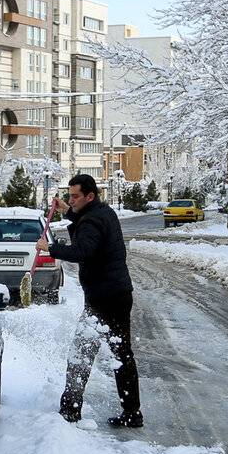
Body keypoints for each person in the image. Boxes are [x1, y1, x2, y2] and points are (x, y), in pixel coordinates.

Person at [35, 174, 143, 428]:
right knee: (121, 354)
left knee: (81, 353)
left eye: (75, 197)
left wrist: (50, 247)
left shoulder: (92, 220)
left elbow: (82, 250)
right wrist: (69, 212)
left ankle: (71, 410)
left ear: (90, 196)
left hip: (104, 298)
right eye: (69, 196)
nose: (70, 201)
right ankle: (131, 412)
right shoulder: (102, 212)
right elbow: (88, 226)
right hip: (115, 294)